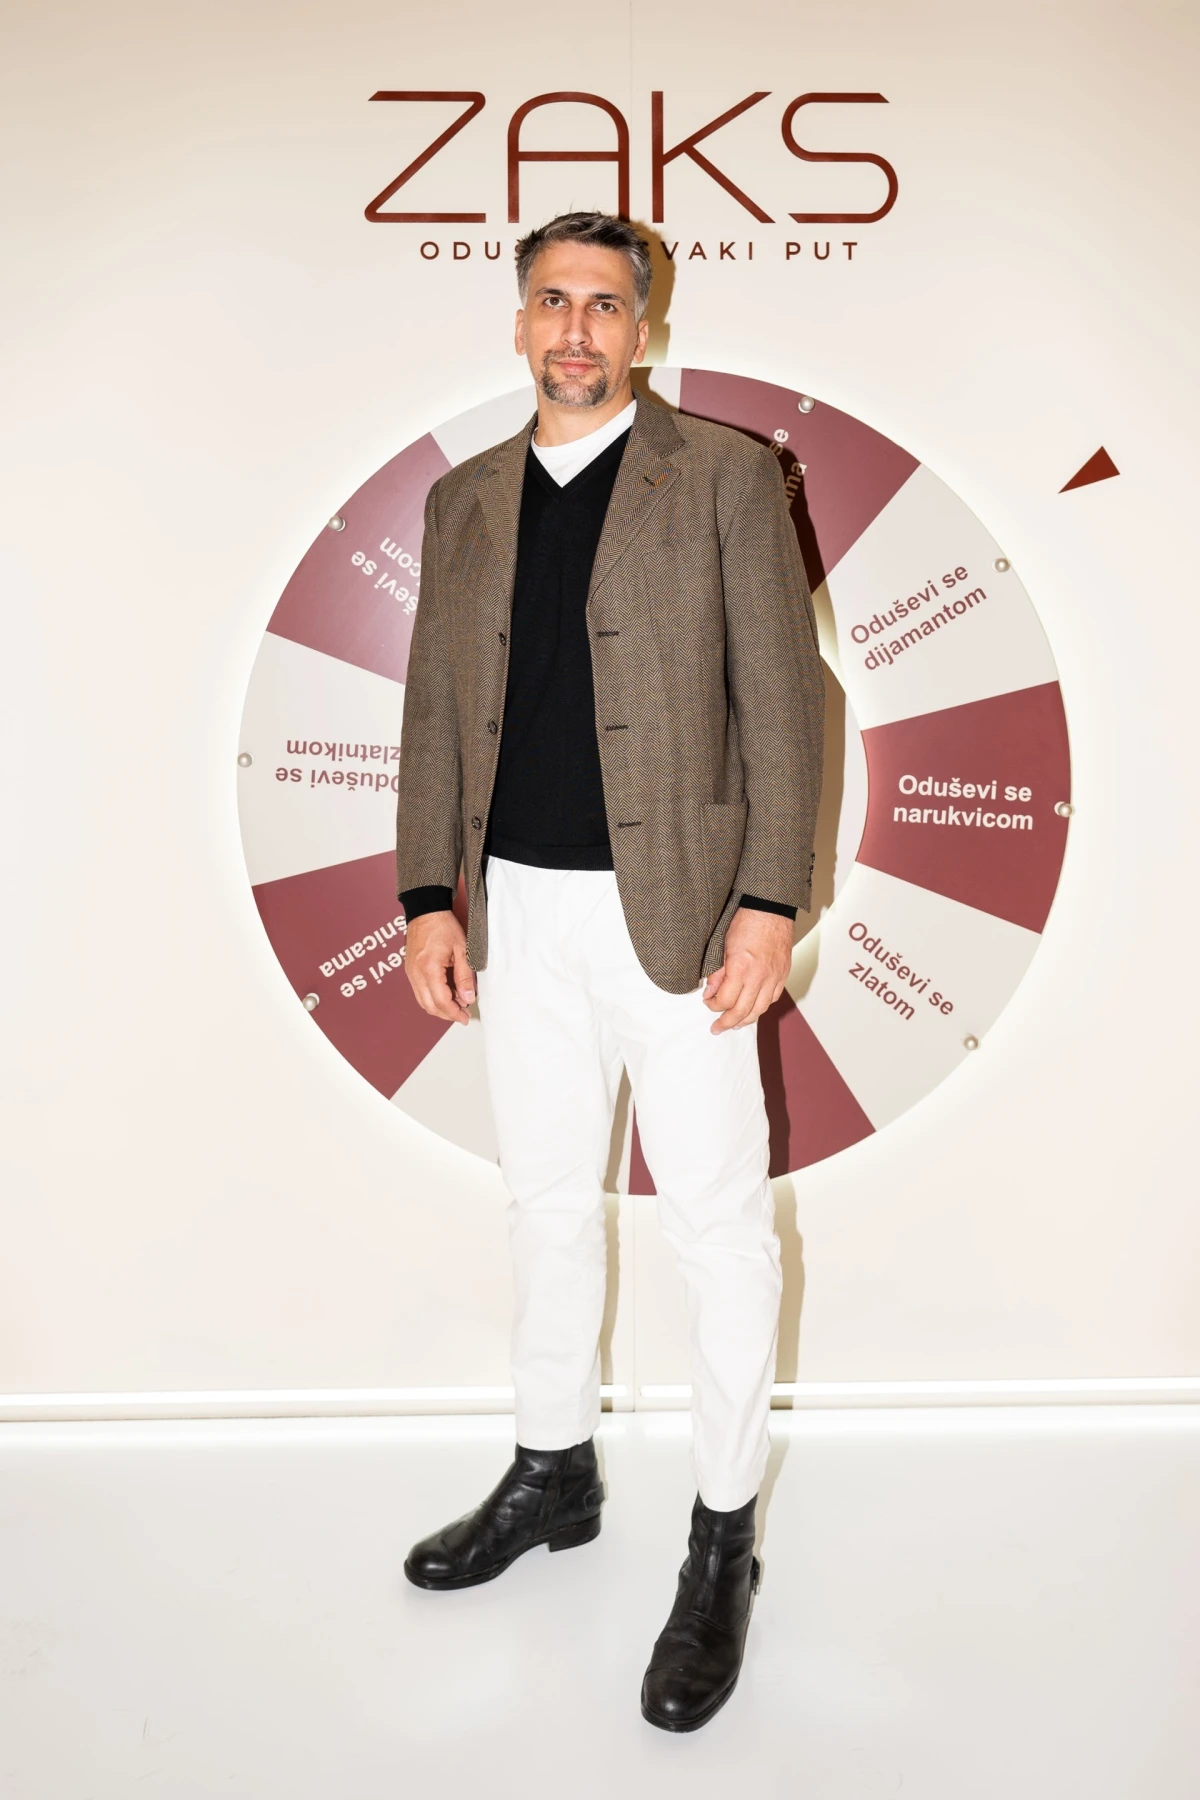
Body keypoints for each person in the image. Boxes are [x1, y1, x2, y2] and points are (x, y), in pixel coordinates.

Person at [394, 210, 824, 1732]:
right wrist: (428, 895)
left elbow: (788, 701)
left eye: (603, 305)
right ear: (520, 322)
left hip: (687, 918)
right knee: (547, 1205)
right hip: (519, 910)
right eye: (551, 301)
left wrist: (769, 901)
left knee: (718, 1231)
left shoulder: (723, 478)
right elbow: (433, 712)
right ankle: (552, 1469)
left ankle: (723, 1543)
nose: (575, 328)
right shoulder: (462, 500)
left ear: (643, 328)